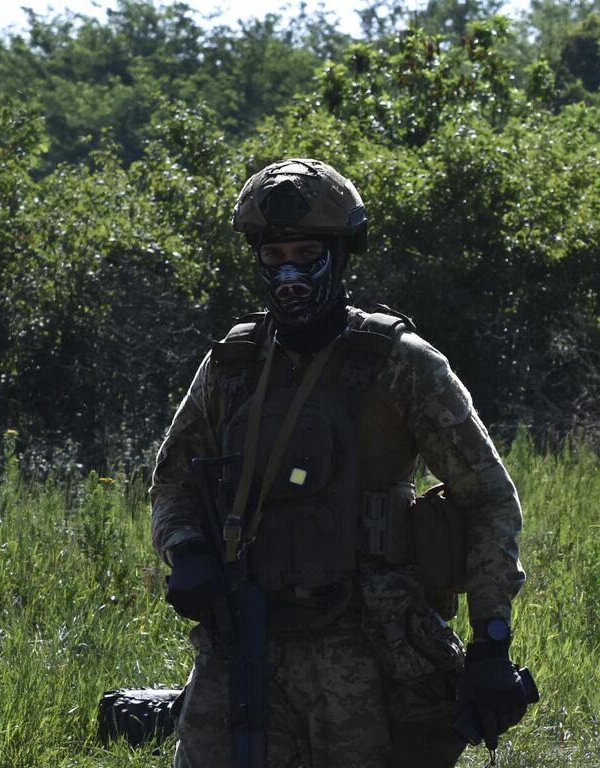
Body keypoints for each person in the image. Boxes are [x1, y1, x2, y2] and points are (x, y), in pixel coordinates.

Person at [151, 158, 534, 767]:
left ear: (341, 254)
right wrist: (188, 549)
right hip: (244, 642)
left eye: (307, 254)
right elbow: (172, 481)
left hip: (365, 648)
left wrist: (491, 640)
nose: (290, 275)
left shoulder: (401, 364)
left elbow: (488, 498)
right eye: (274, 258)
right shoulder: (233, 365)